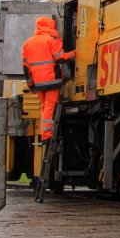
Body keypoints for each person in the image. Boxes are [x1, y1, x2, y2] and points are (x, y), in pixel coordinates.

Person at [21, 17, 75, 145]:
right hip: (52, 81)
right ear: (50, 26)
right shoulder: (51, 40)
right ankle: (47, 135)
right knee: (50, 108)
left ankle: (44, 133)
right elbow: (61, 58)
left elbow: (26, 68)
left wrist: (31, 85)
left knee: (44, 107)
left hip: (38, 83)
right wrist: (74, 53)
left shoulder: (27, 43)